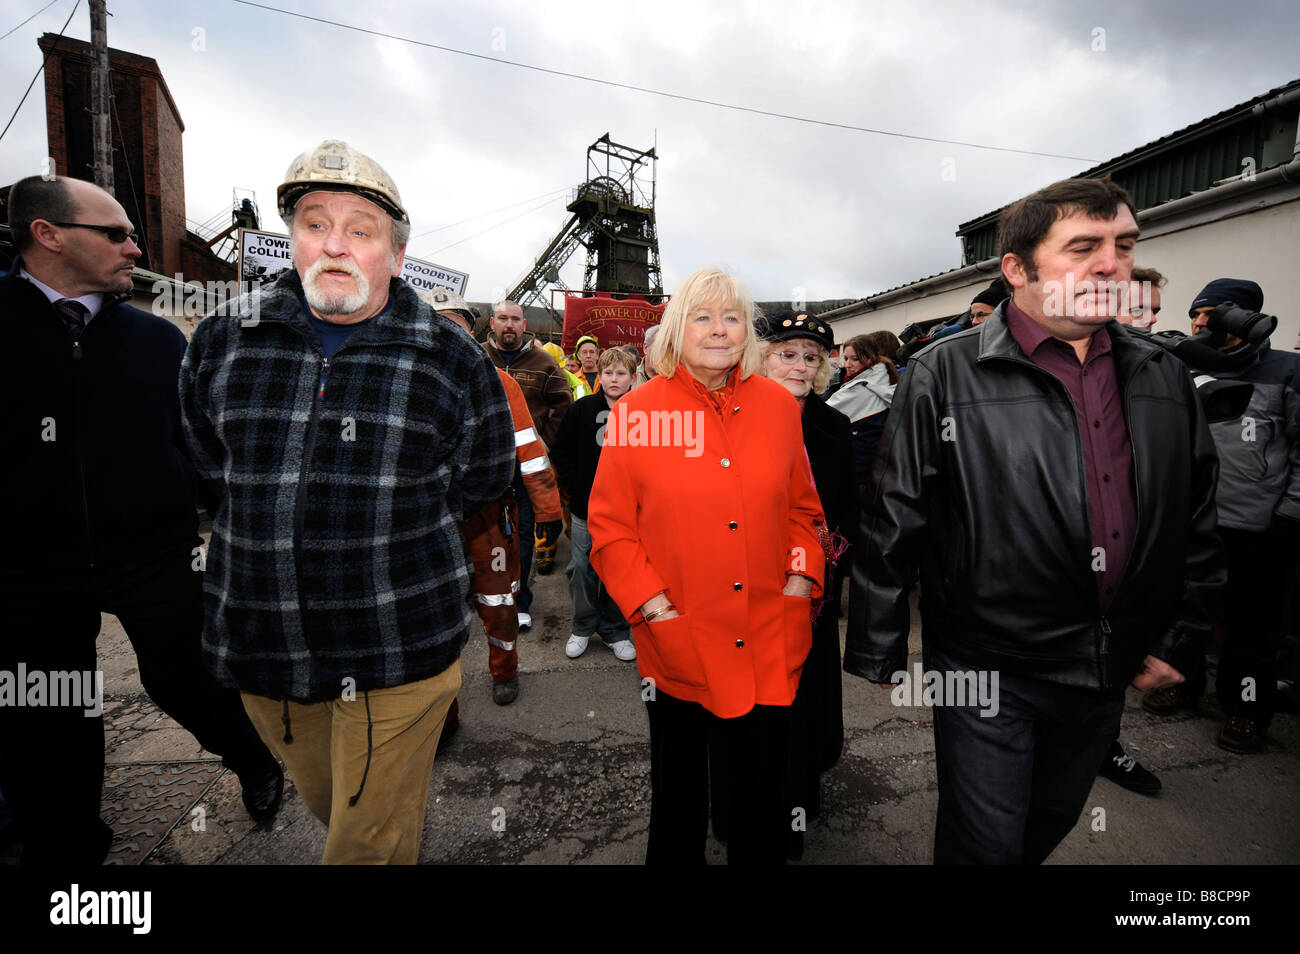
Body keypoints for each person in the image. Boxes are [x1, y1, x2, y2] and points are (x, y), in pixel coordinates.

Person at [844, 177, 1224, 865]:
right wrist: (879, 640)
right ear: (1017, 270)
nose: (1114, 264)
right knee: (986, 843)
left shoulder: (1163, 375)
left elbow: (1195, 515)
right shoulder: (943, 373)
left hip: (1110, 661)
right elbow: (894, 512)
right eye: (1084, 247)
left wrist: (1179, 635)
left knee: (1048, 820)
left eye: (1124, 245)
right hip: (990, 663)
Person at [179, 140, 515, 864]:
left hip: (398, 644)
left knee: (361, 845)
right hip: (263, 647)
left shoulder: (450, 357)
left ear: (395, 253)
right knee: (340, 809)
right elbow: (210, 463)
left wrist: (392, 524)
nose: (334, 245)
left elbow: (485, 474)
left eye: (360, 229)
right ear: (290, 237)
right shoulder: (221, 340)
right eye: (312, 222)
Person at [0, 175, 283, 865]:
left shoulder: (157, 341)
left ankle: (256, 762)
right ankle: (67, 852)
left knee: (189, 679)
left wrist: (236, 542)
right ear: (49, 235)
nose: (134, 248)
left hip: (156, 554)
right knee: (50, 715)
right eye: (116, 234)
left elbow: (203, 448)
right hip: (28, 571)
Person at [588, 267, 826, 865]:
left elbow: (803, 510)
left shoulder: (778, 406)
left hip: (771, 635)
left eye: (731, 318)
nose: (718, 330)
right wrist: (655, 608)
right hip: (679, 639)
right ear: (676, 329)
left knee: (761, 802)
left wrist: (801, 585)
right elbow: (611, 531)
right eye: (702, 316)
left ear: (748, 331)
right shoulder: (637, 413)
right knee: (679, 801)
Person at [1142, 278, 1300, 754]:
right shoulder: (1185, 366)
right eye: (1195, 314)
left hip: (1257, 527)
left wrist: (1288, 516)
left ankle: (1246, 708)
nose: (1199, 323)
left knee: (1253, 626)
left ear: (1245, 318)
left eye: (1212, 314)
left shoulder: (1287, 371)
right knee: (1187, 612)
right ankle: (1183, 684)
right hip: (1189, 522)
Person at [747, 310, 856, 858]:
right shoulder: (737, 416)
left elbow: (848, 510)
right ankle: (741, 805)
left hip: (810, 593)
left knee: (803, 700)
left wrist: (831, 562)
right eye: (787, 353)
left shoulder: (834, 426)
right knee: (748, 703)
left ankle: (796, 801)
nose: (801, 365)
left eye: (812, 358)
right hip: (745, 589)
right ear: (762, 358)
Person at [422, 288, 563, 712]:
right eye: (439, 324)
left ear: (470, 330)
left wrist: (548, 511)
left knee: (499, 601)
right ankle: (438, 705)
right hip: (425, 520)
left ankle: (505, 670)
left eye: (457, 325)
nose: (449, 333)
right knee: (429, 610)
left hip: (487, 514)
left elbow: (529, 447)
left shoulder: (499, 383)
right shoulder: (408, 380)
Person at [484, 301, 571, 627]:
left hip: (526, 470)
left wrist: (543, 445)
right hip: (486, 467)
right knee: (485, 537)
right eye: (503, 319)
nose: (509, 324)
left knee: (522, 535)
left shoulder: (544, 363)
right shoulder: (477, 357)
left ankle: (521, 603)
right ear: (492, 323)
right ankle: (488, 600)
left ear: (524, 325)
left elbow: (562, 406)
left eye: (515, 319)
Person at [551, 348, 638, 662]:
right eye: (608, 373)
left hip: (627, 513)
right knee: (581, 569)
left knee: (617, 572)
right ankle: (583, 626)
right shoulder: (582, 409)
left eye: (621, 373)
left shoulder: (644, 413)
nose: (614, 379)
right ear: (599, 376)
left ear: (633, 376)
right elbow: (561, 451)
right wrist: (575, 489)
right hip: (585, 509)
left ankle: (616, 631)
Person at [827, 333, 898, 491]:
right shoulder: (885, 378)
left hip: (858, 471)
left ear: (870, 358)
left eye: (855, 359)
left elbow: (821, 415)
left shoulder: (860, 388)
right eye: (845, 358)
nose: (847, 364)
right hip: (878, 469)